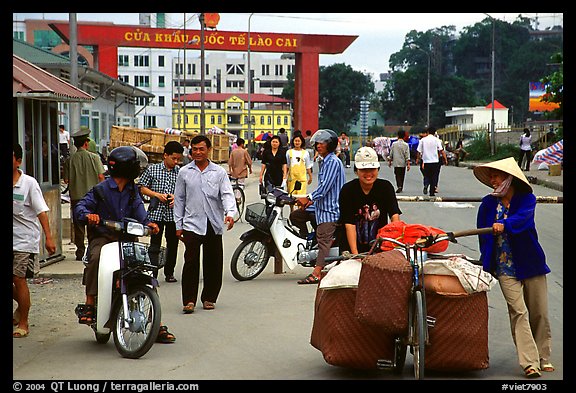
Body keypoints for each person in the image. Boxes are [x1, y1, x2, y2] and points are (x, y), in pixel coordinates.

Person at [474, 157, 553, 379]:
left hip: (531, 263)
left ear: (509, 178)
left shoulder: (526, 199)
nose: (493, 180)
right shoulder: (487, 204)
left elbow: (523, 221)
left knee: (539, 312)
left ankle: (543, 356)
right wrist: (485, 260)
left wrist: (504, 224)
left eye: (497, 176)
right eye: (491, 176)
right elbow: (483, 235)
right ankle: (529, 362)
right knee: (518, 311)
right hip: (503, 266)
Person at [174, 135, 236, 313]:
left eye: (201, 149)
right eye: (194, 149)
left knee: (213, 262)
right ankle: (189, 300)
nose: (198, 152)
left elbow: (226, 194)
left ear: (208, 150)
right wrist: (178, 225)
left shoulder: (219, 172)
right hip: (192, 222)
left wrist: (230, 213)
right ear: (190, 150)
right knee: (191, 261)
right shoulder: (184, 172)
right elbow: (179, 200)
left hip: (213, 223)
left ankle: (209, 297)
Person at [13, 143, 57, 338]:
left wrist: (49, 238)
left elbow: (42, 212)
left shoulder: (29, 183)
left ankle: (24, 322)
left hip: (24, 240)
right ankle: (22, 307)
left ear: (18, 161)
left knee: (18, 279)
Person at [294, 129, 345, 284]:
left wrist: (308, 198)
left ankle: (317, 273)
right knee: (295, 216)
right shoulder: (323, 160)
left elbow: (325, 188)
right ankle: (310, 242)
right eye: (317, 143)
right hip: (320, 207)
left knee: (323, 240)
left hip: (330, 210)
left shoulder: (332, 162)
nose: (318, 145)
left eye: (322, 143)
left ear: (329, 145)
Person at [340, 146, 401, 254]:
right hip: (351, 247)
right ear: (356, 171)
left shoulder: (386, 188)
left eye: (372, 169)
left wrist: (396, 245)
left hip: (380, 247)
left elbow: (394, 216)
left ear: (378, 169)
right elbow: (349, 224)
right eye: (363, 170)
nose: (368, 174)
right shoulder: (348, 190)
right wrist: (355, 254)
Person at [138, 140, 184, 284]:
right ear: (165, 155)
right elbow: (142, 187)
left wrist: (175, 198)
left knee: (173, 244)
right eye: (173, 158)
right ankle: (153, 271)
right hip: (156, 212)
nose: (176, 162)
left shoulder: (181, 173)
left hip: (173, 214)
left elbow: (186, 192)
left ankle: (169, 272)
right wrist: (157, 195)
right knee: (155, 243)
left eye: (178, 159)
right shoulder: (153, 170)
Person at [64, 128, 106, 261]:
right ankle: (92, 251)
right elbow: (101, 176)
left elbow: (66, 180)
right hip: (93, 198)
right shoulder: (95, 158)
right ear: (86, 143)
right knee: (94, 224)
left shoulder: (69, 160)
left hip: (76, 197)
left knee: (78, 226)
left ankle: (80, 251)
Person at [416, 126, 447, 197]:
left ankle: (426, 184)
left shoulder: (423, 140)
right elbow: (441, 150)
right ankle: (432, 192)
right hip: (435, 161)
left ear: (427, 132)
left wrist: (418, 159)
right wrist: (445, 159)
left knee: (426, 175)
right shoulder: (437, 140)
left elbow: (419, 151)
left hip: (426, 161)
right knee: (434, 176)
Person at [285, 134, 313, 199]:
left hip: (302, 178)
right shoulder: (289, 152)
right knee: (291, 196)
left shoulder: (305, 153)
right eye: (295, 141)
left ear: (301, 142)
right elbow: (287, 166)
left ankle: (300, 209)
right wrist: (285, 177)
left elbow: (308, 166)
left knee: (301, 197)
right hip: (291, 178)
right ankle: (292, 209)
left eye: (298, 141)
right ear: (293, 142)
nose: (297, 142)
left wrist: (310, 177)